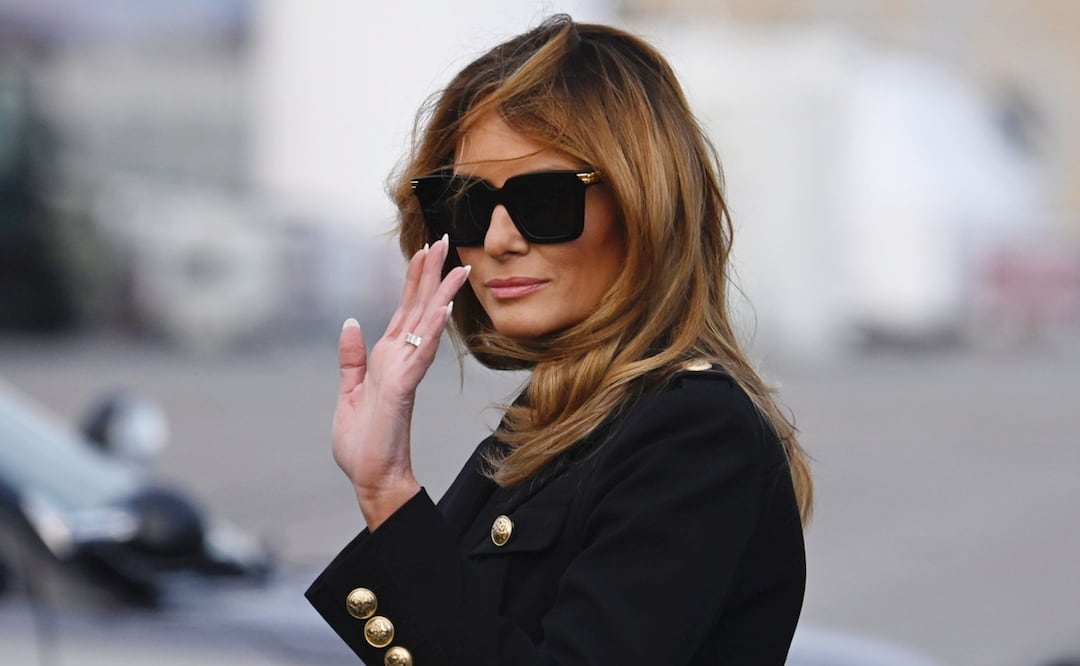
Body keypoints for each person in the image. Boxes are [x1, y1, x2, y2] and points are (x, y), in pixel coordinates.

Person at [306, 15, 813, 666]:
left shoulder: (695, 433)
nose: (497, 239)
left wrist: (390, 493)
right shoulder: (557, 420)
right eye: (464, 203)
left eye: (544, 200)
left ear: (642, 206)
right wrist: (379, 482)